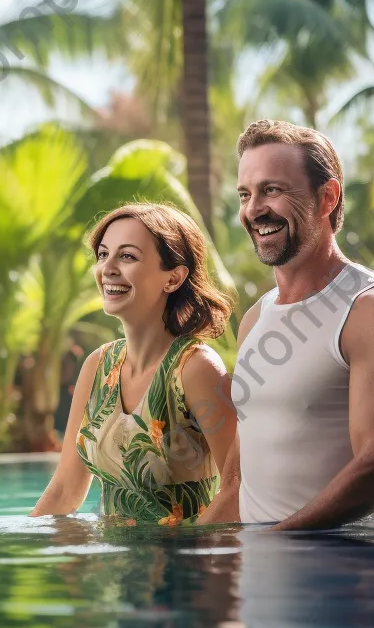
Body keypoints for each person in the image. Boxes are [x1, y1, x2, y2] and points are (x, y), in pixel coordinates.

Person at [199, 119, 374, 529]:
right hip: (270, 572)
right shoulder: (256, 318)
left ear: (327, 198)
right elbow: (237, 480)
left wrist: (278, 541)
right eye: (245, 194)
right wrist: (197, 554)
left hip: (353, 567)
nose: (254, 209)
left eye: (273, 190)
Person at [31, 203, 238, 526]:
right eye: (102, 255)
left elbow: (237, 490)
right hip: (118, 568)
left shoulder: (195, 369)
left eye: (127, 256)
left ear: (173, 278)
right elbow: (64, 491)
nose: (107, 268)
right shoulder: (97, 367)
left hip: (185, 567)